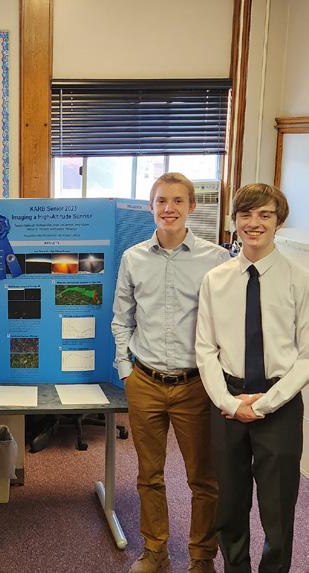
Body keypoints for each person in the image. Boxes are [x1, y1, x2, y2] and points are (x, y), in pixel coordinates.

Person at [112, 172, 229, 573]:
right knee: (149, 475)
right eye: (161, 201)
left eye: (178, 201)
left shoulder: (216, 260)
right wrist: (125, 370)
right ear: (151, 207)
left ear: (192, 206)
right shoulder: (133, 258)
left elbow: (226, 323)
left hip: (194, 385)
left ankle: (201, 557)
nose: (169, 209)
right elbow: (121, 319)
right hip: (145, 381)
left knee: (203, 479)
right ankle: (155, 551)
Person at [196, 183, 308, 573]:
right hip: (228, 400)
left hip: (280, 404)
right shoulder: (216, 280)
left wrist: (264, 405)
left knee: (277, 509)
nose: (254, 223)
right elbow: (205, 349)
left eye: (265, 215)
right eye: (245, 214)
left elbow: (307, 355)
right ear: (234, 221)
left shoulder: (300, 279)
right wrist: (229, 403)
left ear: (279, 222)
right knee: (229, 503)